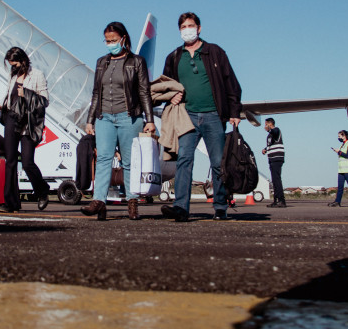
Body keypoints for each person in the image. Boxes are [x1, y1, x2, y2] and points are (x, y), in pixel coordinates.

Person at [159, 12, 243, 222]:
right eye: (183, 27)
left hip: (213, 115)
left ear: (199, 28)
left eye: (191, 25)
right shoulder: (174, 57)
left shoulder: (215, 52)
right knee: (184, 160)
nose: (187, 30)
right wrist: (171, 96)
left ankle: (220, 206)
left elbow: (231, 82)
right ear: (179, 31)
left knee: (217, 162)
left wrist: (234, 112)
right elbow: (165, 86)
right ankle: (180, 207)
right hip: (186, 116)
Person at [82, 22, 156, 220]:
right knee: (103, 158)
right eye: (107, 41)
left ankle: (132, 202)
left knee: (129, 161)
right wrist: (90, 120)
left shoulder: (136, 62)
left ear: (123, 39)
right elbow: (96, 93)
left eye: (114, 40)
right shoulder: (101, 62)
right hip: (104, 116)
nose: (110, 44)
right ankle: (99, 201)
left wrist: (149, 119)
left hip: (129, 117)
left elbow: (144, 91)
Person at [0, 47, 50, 213]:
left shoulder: (37, 75)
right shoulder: (13, 76)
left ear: (23, 61)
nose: (13, 67)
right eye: (11, 65)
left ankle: (42, 190)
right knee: (10, 161)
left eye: (14, 64)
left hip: (28, 123)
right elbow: (8, 95)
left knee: (27, 162)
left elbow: (45, 101)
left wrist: (26, 93)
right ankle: (10, 203)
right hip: (12, 118)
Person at [329, 130, 348, 207]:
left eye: (339, 136)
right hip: (342, 169)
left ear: (344, 136)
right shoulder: (343, 145)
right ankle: (337, 201)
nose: (338, 138)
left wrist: (339, 152)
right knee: (340, 187)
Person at [261, 118, 285, 208]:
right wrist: (265, 149)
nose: (265, 126)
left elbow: (275, 132)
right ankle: (276, 200)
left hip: (277, 158)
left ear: (269, 124)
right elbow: (271, 144)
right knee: (274, 180)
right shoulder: (270, 135)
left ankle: (281, 200)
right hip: (272, 159)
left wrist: (269, 129)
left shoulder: (276, 130)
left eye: (266, 124)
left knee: (277, 179)